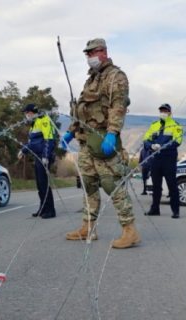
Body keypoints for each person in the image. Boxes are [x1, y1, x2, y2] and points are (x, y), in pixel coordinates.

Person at [61, 38, 140, 249]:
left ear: (104, 52)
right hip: (86, 140)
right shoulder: (92, 79)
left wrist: (113, 133)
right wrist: (71, 132)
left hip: (104, 138)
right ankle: (88, 227)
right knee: (88, 184)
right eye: (87, 54)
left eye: (93, 52)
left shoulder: (116, 76)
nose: (90, 57)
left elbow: (118, 106)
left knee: (110, 183)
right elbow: (83, 110)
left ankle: (130, 231)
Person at [143, 104, 183, 219]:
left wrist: (162, 146)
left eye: (165, 111)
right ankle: (155, 209)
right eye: (161, 110)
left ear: (170, 112)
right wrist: (151, 146)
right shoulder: (154, 125)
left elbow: (177, 141)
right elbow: (146, 139)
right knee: (156, 186)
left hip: (169, 159)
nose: (163, 112)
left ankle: (175, 211)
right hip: (156, 159)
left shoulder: (175, 125)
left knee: (172, 185)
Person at [18, 103, 56, 219]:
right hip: (37, 156)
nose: (26, 116)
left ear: (30, 113)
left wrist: (45, 156)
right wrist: (23, 150)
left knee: (44, 183)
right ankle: (43, 207)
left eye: (26, 113)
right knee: (40, 184)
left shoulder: (44, 120)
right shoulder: (34, 124)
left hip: (44, 156)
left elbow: (48, 139)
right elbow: (32, 143)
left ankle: (50, 210)